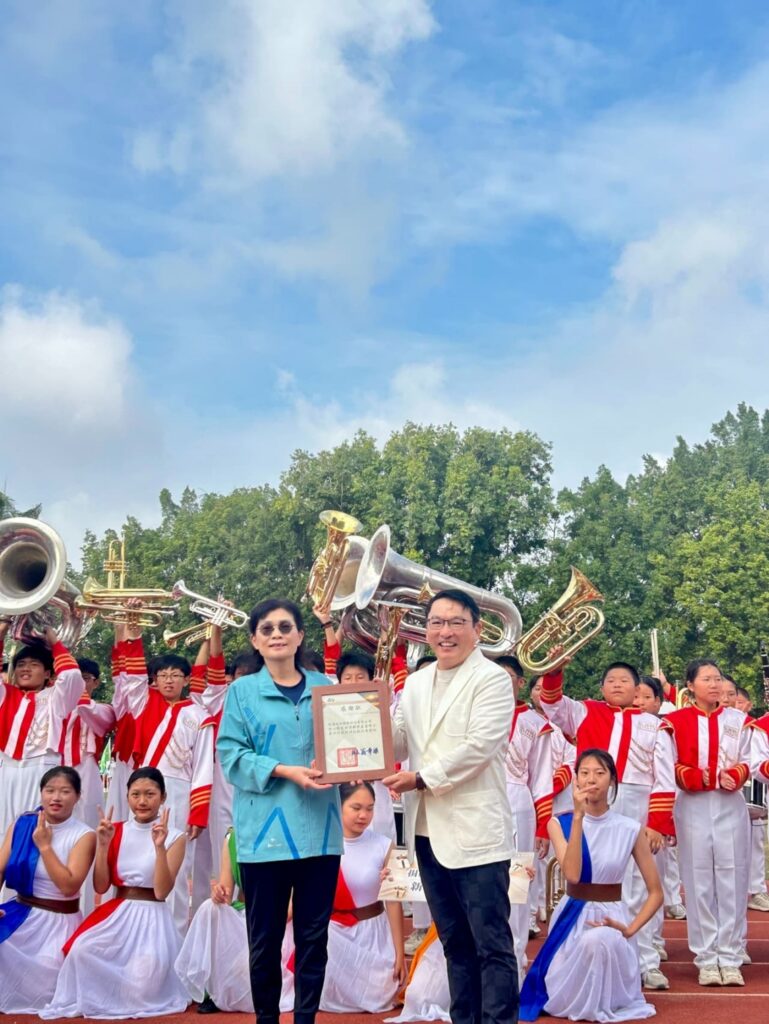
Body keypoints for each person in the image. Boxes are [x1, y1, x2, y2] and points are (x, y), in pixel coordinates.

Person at [383, 588, 518, 1024]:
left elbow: (480, 747)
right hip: (425, 831)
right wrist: (361, 719)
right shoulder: (416, 682)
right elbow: (397, 742)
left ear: (477, 630)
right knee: (455, 944)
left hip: (476, 835)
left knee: (491, 945)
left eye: (457, 622)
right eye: (436, 622)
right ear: (425, 630)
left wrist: (421, 778)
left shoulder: (492, 679)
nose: (445, 631)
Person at [217, 597, 343, 1024]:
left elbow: (349, 745)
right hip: (264, 834)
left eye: (285, 627)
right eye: (267, 629)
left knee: (314, 939)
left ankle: (306, 1019)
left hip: (321, 832)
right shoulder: (241, 692)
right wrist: (285, 770)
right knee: (265, 941)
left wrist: (348, 765)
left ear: (300, 635)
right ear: (255, 639)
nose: (277, 635)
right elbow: (231, 756)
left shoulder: (327, 687)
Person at [540, 655, 675, 990]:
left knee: (642, 883)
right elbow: (551, 703)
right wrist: (554, 670)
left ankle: (646, 960)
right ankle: (592, 955)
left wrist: (657, 822)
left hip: (638, 802)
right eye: (611, 680)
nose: (617, 685)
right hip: (594, 801)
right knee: (598, 877)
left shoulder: (654, 724)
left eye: (625, 680)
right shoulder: (585, 711)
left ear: (637, 689)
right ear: (601, 687)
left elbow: (664, 776)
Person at [520, 749, 662, 1022]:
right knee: (565, 989)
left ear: (612, 780)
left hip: (613, 917)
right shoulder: (558, 823)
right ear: (575, 779)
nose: (591, 779)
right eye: (584, 773)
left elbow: (656, 892)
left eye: (599, 773)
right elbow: (572, 875)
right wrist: (577, 817)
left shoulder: (630, 828)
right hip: (572, 918)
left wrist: (631, 929)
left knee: (599, 941)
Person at [41, 766, 189, 1019]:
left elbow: (162, 891)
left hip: (152, 919)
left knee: (142, 985)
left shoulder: (175, 837)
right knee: (82, 950)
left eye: (150, 794)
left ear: (163, 797)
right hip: (118, 915)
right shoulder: (115, 830)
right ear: (127, 796)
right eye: (135, 794)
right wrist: (103, 845)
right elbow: (101, 887)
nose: (142, 801)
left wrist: (159, 847)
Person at [117, 604, 215, 934]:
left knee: (177, 863)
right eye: (162, 675)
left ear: (186, 680)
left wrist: (198, 813)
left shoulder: (199, 716)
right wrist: (133, 632)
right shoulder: (143, 701)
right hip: (144, 790)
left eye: (175, 675)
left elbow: (203, 767)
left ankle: (173, 936)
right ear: (155, 680)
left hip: (179, 792)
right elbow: (132, 678)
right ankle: (133, 927)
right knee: (136, 856)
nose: (168, 680)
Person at [664, 659, 751, 986]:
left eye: (717, 678)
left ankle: (730, 955)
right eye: (707, 679)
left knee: (732, 878)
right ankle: (706, 958)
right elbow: (668, 763)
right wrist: (691, 776)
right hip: (693, 805)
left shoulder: (739, 720)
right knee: (698, 879)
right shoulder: (674, 723)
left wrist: (738, 773)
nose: (714, 685)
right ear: (690, 686)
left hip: (730, 804)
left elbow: (752, 759)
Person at [0, 765, 96, 1014]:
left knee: (48, 990)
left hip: (58, 922)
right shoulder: (23, 823)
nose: (56, 797)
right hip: (20, 912)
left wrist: (44, 846)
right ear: (41, 792)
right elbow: (0, 868)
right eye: (50, 790)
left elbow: (68, 886)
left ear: (77, 796)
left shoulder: (84, 835)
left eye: (65, 791)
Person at [0, 623, 88, 842]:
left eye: (34, 665)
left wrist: (54, 642)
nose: (26, 669)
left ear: (48, 673)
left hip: (42, 768)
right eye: (21, 664)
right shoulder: (5, 695)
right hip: (7, 768)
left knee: (37, 829)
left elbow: (72, 677)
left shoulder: (56, 697)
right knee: (4, 830)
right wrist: (1, 633)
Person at [497, 654, 553, 972]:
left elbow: (542, 778)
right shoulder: (472, 713)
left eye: (508, 678)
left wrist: (543, 826)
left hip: (518, 799)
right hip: (478, 801)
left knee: (517, 882)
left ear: (520, 683)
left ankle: (515, 958)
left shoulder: (535, 724)